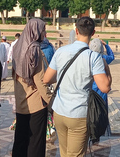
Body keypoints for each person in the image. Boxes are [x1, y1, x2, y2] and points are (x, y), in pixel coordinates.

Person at [44, 17, 112, 157]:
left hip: (59, 111)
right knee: (75, 154)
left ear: (76, 31)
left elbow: (47, 79)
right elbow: (105, 87)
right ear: (93, 33)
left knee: (65, 153)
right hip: (78, 113)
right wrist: (107, 71)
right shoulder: (93, 57)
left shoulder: (61, 51)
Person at [11, 18, 52, 157]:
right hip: (36, 105)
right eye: (43, 30)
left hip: (21, 103)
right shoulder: (35, 50)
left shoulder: (18, 47)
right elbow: (41, 81)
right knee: (35, 142)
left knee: (21, 140)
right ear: (36, 31)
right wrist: (51, 102)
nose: (44, 33)